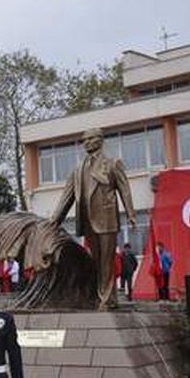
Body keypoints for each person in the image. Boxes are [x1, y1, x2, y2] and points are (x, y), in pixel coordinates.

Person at [50, 128, 136, 310]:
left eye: (90, 139)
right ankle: (102, 297)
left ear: (100, 140)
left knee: (107, 261)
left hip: (107, 220)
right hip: (88, 221)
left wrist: (131, 214)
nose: (87, 143)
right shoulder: (78, 169)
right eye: (84, 140)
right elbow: (66, 197)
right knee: (96, 262)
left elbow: (124, 190)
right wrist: (54, 221)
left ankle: (106, 299)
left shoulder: (112, 164)